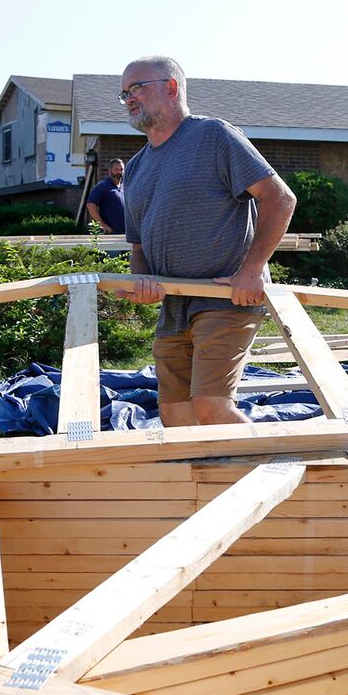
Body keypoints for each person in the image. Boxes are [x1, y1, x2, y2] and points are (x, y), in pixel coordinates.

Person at [115, 55, 297, 427]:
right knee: (175, 416)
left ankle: (280, 467)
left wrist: (253, 270)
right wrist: (142, 282)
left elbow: (280, 198)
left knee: (210, 406)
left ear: (171, 87)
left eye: (137, 88)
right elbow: (138, 247)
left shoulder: (213, 136)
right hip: (175, 304)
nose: (129, 98)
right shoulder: (134, 168)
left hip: (225, 295)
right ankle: (210, 483)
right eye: (124, 93)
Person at [84, 159, 125, 234]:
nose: (119, 172)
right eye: (116, 169)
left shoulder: (124, 187)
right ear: (110, 171)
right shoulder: (102, 186)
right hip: (111, 233)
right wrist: (102, 225)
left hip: (125, 233)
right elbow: (90, 205)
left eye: (121, 169)